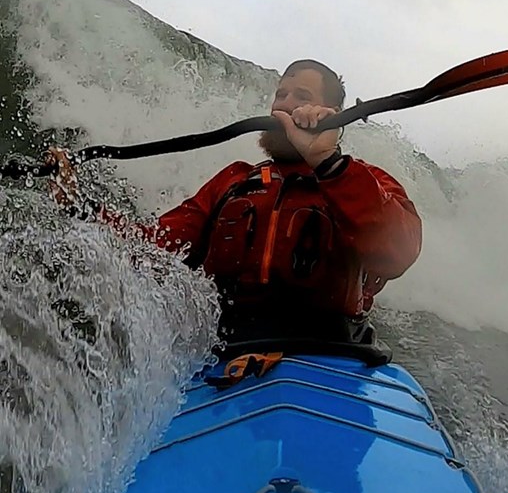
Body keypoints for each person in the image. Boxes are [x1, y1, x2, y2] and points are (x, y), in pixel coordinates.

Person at [48, 60, 422, 361]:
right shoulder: (233, 182)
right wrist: (80, 207)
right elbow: (153, 248)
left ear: (332, 115)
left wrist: (326, 161)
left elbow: (399, 253)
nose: (283, 105)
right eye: (281, 94)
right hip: (228, 355)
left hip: (332, 356)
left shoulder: (364, 181)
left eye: (301, 96)